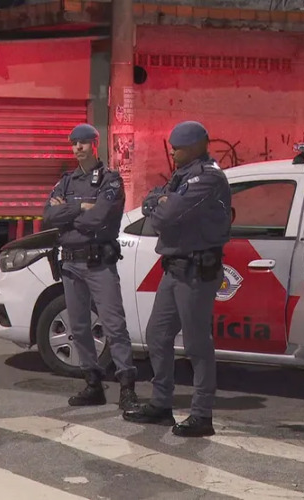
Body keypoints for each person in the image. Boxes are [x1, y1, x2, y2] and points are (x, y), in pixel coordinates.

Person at [122, 121, 232, 437]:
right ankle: (160, 404)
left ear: (198, 145)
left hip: (197, 271)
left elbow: (164, 216)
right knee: (157, 334)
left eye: (179, 147)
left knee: (197, 345)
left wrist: (160, 205)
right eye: (172, 147)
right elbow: (153, 202)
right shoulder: (183, 175)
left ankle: (202, 415)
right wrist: (160, 203)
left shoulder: (208, 178)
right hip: (175, 269)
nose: (173, 152)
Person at [42, 123, 138, 410]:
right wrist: (81, 207)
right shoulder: (66, 182)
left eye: (83, 143)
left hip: (98, 263)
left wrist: (67, 214)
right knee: (80, 326)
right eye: (74, 144)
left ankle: (127, 387)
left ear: (95, 144)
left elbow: (100, 219)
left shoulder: (110, 180)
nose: (78, 148)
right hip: (70, 264)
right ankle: (93, 384)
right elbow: (48, 216)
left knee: (114, 325)